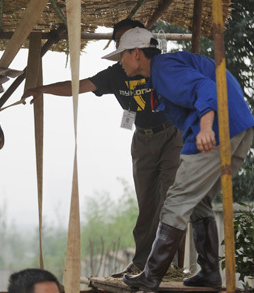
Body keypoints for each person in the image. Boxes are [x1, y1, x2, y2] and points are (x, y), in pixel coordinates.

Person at [22, 19, 183, 277]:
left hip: (172, 136)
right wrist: (42, 89)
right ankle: (141, 263)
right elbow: (79, 86)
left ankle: (166, 266)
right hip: (142, 140)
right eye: (118, 42)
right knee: (147, 206)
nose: (121, 47)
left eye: (126, 41)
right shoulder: (115, 74)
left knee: (170, 200)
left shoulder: (161, 66)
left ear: (138, 48)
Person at [101, 27, 254, 291]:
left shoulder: (164, 69)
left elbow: (206, 88)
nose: (120, 63)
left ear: (136, 53)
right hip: (238, 126)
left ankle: (151, 275)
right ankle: (209, 273)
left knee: (176, 200)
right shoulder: (164, 70)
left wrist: (206, 127)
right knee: (198, 201)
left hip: (219, 128)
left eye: (121, 56)